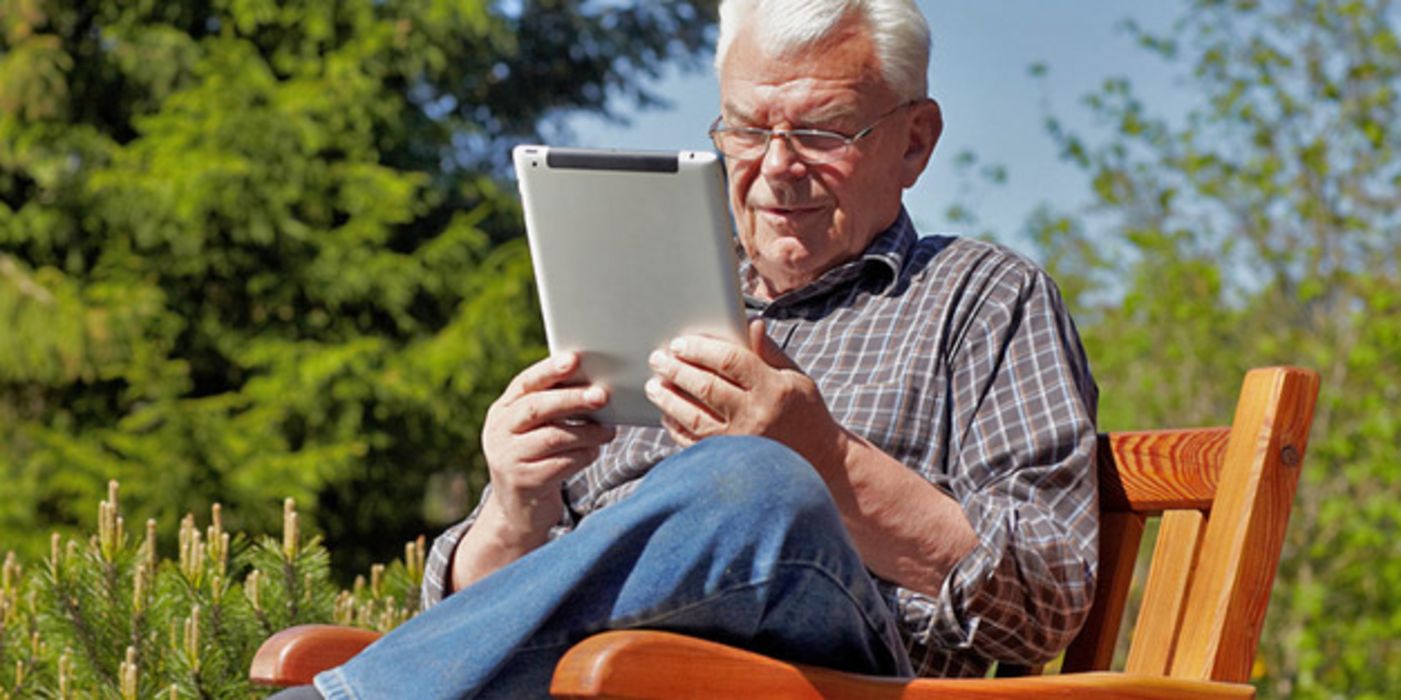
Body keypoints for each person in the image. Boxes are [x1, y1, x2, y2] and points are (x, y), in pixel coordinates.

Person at [286, 0, 1099, 697]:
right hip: (608, 680)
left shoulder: (981, 297)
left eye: (820, 131)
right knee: (732, 481)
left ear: (914, 141)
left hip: (837, 682)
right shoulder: (655, 293)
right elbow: (484, 620)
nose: (777, 168)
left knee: (755, 480)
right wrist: (513, 507)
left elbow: (1049, 596)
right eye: (747, 129)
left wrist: (825, 460)